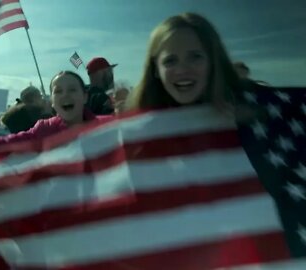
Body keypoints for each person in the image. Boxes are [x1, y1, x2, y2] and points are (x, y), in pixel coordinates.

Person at [127, 12, 304, 257]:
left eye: (195, 57)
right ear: (155, 69)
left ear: (213, 61)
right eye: (170, 61)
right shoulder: (142, 134)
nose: (183, 70)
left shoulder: (261, 115)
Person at [0, 71, 113, 155]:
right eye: (58, 91)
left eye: (72, 89)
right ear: (53, 102)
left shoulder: (110, 127)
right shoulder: (43, 131)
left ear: (85, 96)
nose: (65, 95)